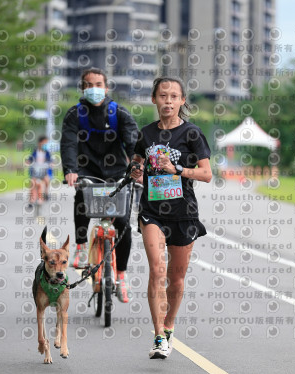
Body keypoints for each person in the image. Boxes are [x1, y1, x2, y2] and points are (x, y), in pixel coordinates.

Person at [131, 76, 212, 358]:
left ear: (182, 101)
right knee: (157, 270)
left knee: (175, 280)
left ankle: (169, 325)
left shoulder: (192, 134)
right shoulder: (145, 134)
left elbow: (207, 174)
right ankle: (157, 337)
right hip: (152, 211)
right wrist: (135, 170)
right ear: (154, 99)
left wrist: (177, 170)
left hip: (183, 213)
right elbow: (137, 161)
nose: (168, 101)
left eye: (173, 96)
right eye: (162, 96)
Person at [60, 67, 139, 303]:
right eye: (88, 84)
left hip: (116, 171)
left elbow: (133, 142)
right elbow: (68, 143)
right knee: (82, 198)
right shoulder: (75, 114)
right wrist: (71, 170)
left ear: (106, 87)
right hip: (87, 169)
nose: (94, 89)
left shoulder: (119, 113)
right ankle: (82, 245)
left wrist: (137, 168)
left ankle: (122, 276)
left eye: (98, 84)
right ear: (83, 88)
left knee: (123, 221)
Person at [28, 135, 52, 206]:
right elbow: (30, 159)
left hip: (44, 171)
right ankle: (31, 201)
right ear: (40, 143)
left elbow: (50, 161)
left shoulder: (47, 153)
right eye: (44, 143)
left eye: (46, 143)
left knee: (46, 180)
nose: (45, 144)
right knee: (33, 183)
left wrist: (50, 164)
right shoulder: (35, 151)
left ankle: (46, 193)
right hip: (35, 171)